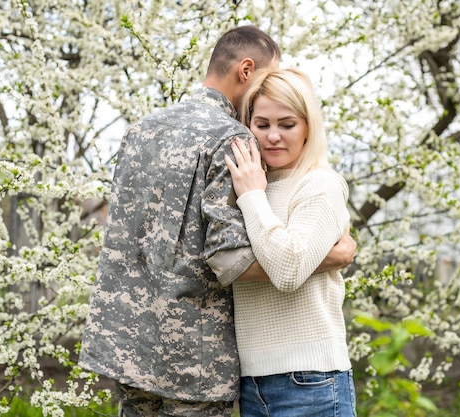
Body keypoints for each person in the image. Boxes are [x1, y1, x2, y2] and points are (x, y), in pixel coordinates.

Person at [78, 27, 357, 417]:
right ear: (246, 70)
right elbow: (229, 259)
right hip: (194, 356)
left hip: (127, 345)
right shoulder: (232, 140)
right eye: (265, 77)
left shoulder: (140, 131)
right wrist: (326, 258)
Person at [224, 68, 357, 417]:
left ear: (308, 127)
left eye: (287, 124)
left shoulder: (319, 184)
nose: (273, 137)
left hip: (311, 381)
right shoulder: (252, 182)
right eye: (262, 124)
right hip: (252, 383)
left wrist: (252, 197)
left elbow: (287, 270)